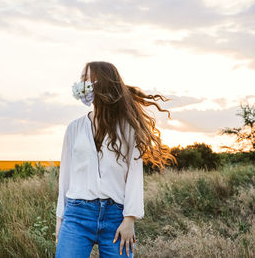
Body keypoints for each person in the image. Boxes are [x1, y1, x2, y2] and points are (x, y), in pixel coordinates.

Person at [55, 61, 176, 258]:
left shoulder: (128, 128)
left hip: (116, 217)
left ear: (101, 83)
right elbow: (65, 178)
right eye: (81, 80)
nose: (81, 84)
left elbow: (134, 175)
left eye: (86, 79)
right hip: (77, 215)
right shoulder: (74, 128)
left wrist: (129, 219)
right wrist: (60, 219)